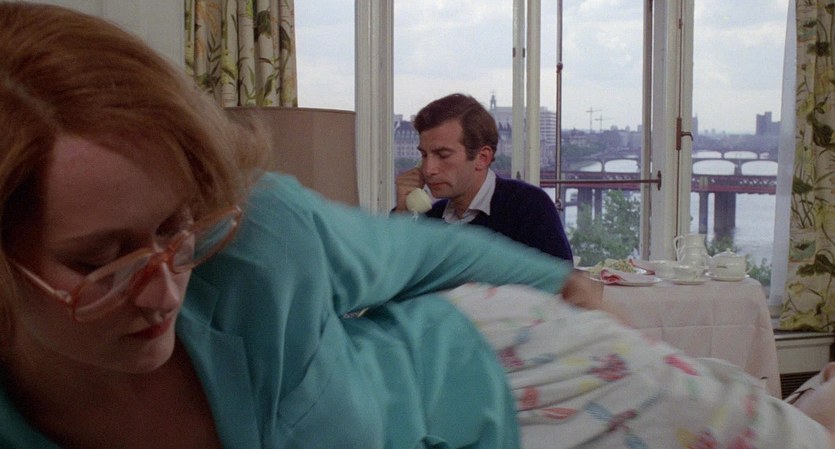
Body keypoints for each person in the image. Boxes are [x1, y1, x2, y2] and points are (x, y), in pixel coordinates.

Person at [1, 3, 835, 449]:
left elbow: (416, 252)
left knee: (764, 428)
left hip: (507, 363)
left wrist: (563, 279)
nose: (162, 290)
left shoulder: (263, 232)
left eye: (176, 228)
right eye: (101, 263)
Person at [393, 93, 574, 261]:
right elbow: (389, 277)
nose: (428, 169)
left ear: (482, 158)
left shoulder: (529, 207)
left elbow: (565, 282)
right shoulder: (431, 217)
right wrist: (401, 213)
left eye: (443, 155)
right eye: (424, 155)